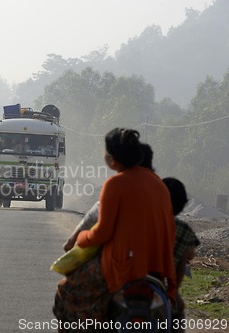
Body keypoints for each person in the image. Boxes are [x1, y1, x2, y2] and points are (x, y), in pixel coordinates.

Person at [53, 128, 177, 332]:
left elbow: (102, 232)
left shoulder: (115, 183)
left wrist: (81, 239)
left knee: (65, 290)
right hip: (157, 268)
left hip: (122, 266)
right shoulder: (158, 184)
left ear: (112, 158)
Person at [63, 143, 154, 251]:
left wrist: (77, 240)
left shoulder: (116, 183)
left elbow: (96, 219)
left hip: (124, 260)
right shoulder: (160, 187)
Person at [162, 177, 200, 333]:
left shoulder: (143, 221)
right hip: (163, 287)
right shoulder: (183, 229)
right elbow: (189, 256)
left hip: (131, 281)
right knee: (179, 310)